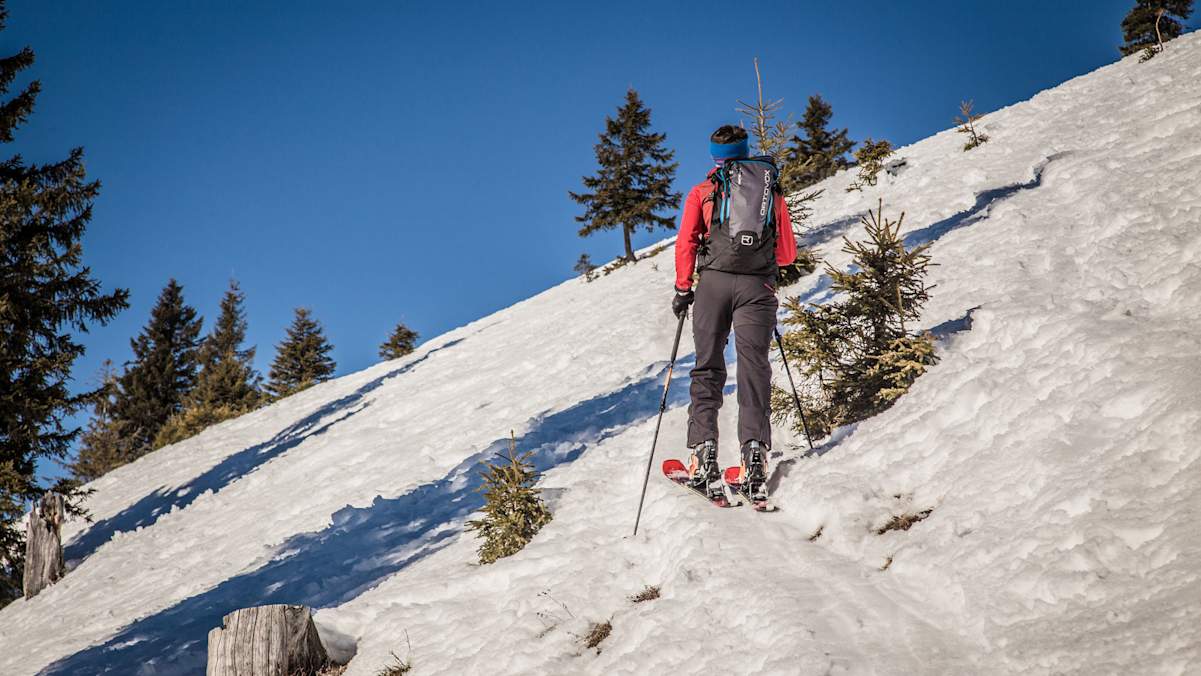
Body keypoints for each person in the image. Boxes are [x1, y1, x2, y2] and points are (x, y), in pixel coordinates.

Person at [671, 125, 796, 500]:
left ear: (715, 156)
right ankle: (754, 457)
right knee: (753, 367)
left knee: (708, 367)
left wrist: (682, 289)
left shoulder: (703, 192)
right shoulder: (770, 193)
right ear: (745, 151)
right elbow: (787, 254)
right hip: (757, 288)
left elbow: (686, 242)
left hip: (713, 285)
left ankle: (703, 455)